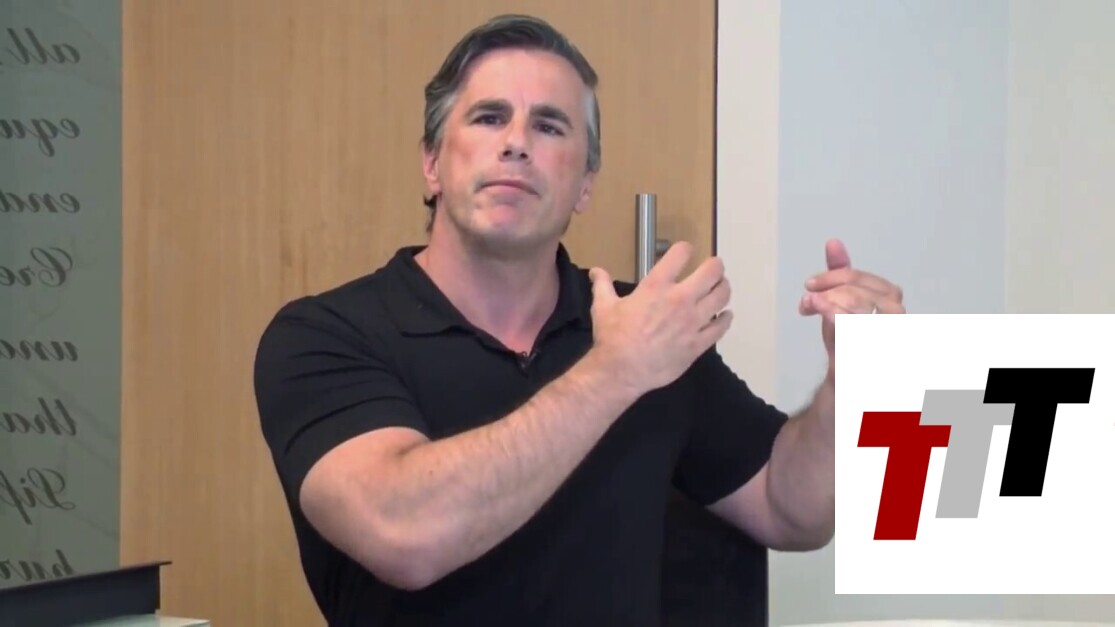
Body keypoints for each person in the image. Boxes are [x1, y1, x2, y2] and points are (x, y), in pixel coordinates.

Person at [252, 13, 905, 627]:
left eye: (549, 126)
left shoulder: (644, 329)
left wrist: (848, 386)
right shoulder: (325, 335)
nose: (515, 143)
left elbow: (793, 511)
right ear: (432, 164)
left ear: (586, 184)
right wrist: (616, 371)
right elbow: (403, 534)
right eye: (488, 117)